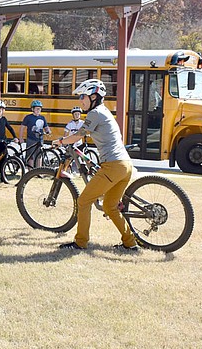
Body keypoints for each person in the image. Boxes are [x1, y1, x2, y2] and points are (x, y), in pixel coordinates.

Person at [52, 79, 139, 252]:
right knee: (110, 206)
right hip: (125, 165)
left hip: (113, 165)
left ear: (93, 96)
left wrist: (60, 141)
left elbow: (78, 135)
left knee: (83, 201)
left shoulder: (95, 113)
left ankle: (80, 243)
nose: (80, 100)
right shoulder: (104, 112)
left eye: (82, 96)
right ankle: (130, 243)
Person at [0, 100, 17, 183]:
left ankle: (3, 177)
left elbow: (10, 128)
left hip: (3, 142)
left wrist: (15, 137)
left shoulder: (4, 119)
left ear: (3, 111)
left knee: (4, 160)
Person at [19, 100, 51, 167]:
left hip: (40, 139)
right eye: (36, 109)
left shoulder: (42, 118)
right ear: (32, 109)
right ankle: (30, 170)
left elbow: (46, 126)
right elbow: (22, 127)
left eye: (39, 109)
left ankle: (38, 170)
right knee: (31, 155)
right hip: (31, 139)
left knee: (39, 155)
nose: (38, 110)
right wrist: (21, 137)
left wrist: (48, 131)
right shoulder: (28, 117)